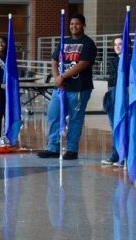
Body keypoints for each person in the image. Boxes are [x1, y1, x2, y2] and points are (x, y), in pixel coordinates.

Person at [38, 14, 98, 159]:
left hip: (79, 88)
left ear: (83, 25)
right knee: (53, 115)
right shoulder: (64, 42)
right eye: (71, 24)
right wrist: (57, 78)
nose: (73, 26)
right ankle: (53, 147)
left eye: (77, 24)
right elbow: (54, 60)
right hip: (60, 88)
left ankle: (72, 149)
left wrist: (63, 76)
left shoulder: (88, 43)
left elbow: (82, 64)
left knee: (75, 119)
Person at [101, 37, 122, 165]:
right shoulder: (113, 60)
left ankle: (122, 154)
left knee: (121, 125)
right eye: (115, 45)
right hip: (112, 92)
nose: (117, 47)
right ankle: (116, 154)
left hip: (122, 93)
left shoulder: (130, 60)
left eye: (120, 44)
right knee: (114, 125)